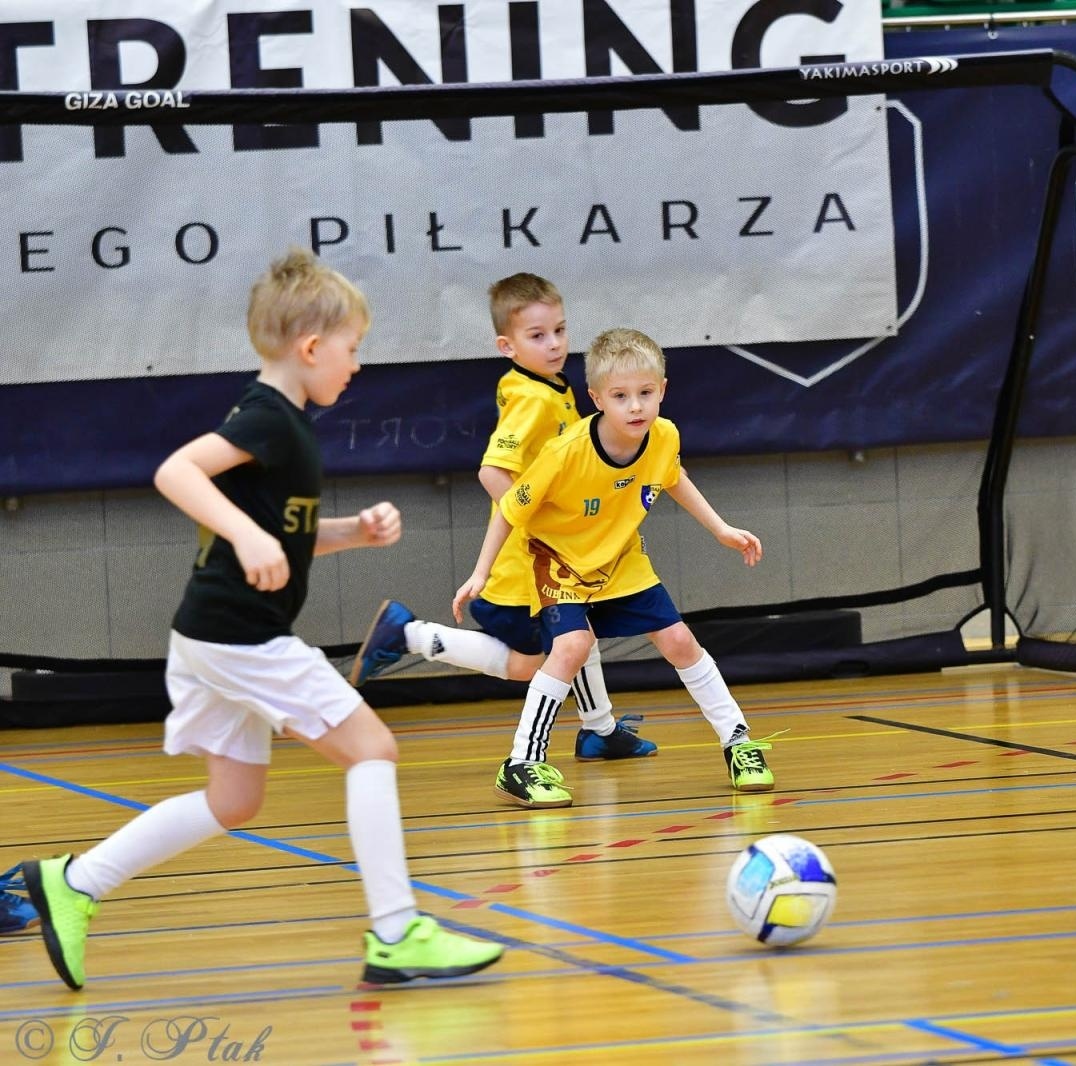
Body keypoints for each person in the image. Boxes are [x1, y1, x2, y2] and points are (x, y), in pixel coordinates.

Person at [10, 249, 503, 990]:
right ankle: (397, 933)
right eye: (353, 348)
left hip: (208, 636)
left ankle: (75, 883)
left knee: (233, 800)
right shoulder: (268, 417)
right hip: (240, 636)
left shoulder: (287, 428)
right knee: (372, 748)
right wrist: (244, 535)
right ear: (311, 347)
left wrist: (351, 533)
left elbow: (287, 534)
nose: (357, 365)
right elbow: (175, 471)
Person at [347, 274, 654, 811]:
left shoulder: (552, 388)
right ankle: (410, 635)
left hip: (550, 556)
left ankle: (599, 730)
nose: (555, 343)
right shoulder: (532, 399)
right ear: (507, 346)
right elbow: (493, 472)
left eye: (560, 330)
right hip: (524, 564)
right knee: (531, 664)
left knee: (578, 633)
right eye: (538, 335)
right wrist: (539, 524)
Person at [451, 327, 776, 798]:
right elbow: (509, 508)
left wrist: (720, 528)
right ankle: (521, 763)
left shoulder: (664, 435)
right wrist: (480, 573)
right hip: (560, 560)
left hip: (621, 559)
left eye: (646, 393)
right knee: (571, 647)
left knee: (679, 640)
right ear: (597, 398)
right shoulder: (564, 453)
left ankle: (738, 741)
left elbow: (673, 476)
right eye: (621, 396)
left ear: (662, 389)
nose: (636, 406)